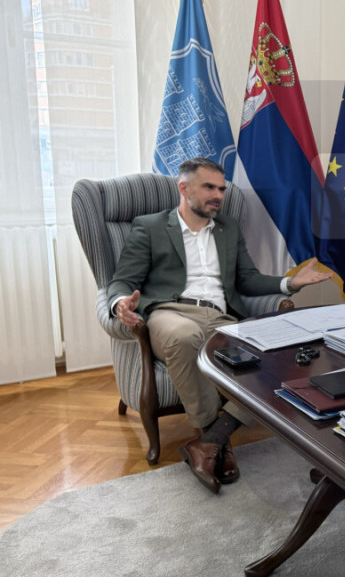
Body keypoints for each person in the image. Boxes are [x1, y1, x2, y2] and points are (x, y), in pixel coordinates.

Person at [108, 157, 331, 493]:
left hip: (220, 316)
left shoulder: (228, 228)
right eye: (209, 187)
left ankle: (210, 442)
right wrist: (120, 303)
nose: (218, 195)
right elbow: (122, 280)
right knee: (186, 337)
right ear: (184, 189)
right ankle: (213, 436)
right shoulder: (150, 226)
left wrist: (290, 283)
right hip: (170, 312)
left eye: (222, 189)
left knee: (278, 358)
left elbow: (248, 279)